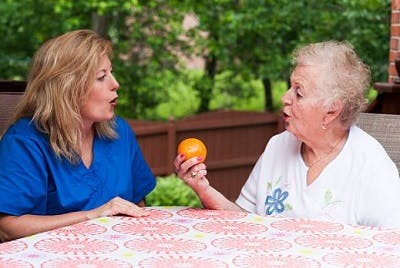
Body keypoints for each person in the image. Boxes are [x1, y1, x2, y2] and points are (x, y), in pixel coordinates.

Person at [174, 41, 400, 228]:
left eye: (298, 93)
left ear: (331, 110)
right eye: (290, 87)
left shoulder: (370, 164)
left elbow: (391, 245)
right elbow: (243, 219)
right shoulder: (277, 146)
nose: (285, 97)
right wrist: (203, 188)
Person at [0, 30, 156, 241]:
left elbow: (137, 205)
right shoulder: (24, 141)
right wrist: (93, 216)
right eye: (101, 77)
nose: (115, 83)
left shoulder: (120, 131)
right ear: (66, 88)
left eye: (111, 72)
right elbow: (8, 227)